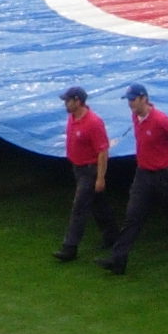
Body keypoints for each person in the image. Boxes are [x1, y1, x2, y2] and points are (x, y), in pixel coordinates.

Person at [98, 84, 168, 273]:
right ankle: (118, 260)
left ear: (143, 98)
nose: (130, 103)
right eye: (128, 100)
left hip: (165, 175)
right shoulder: (136, 117)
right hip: (144, 173)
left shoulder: (161, 120)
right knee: (132, 216)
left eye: (132, 99)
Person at [54, 86, 121, 261]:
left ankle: (70, 247)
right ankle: (112, 235)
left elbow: (103, 151)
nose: (65, 104)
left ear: (78, 101)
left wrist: (100, 177)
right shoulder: (73, 118)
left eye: (68, 100)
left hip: (89, 170)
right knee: (98, 204)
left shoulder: (93, 122)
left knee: (79, 207)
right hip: (78, 167)